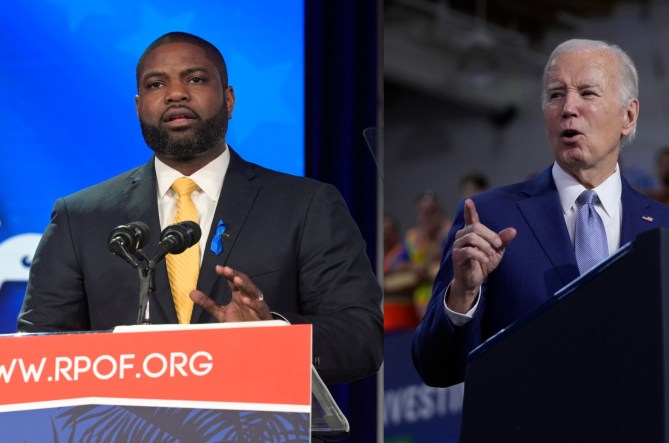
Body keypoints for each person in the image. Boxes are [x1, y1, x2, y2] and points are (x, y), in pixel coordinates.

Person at [17, 32, 382, 384]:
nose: (175, 93)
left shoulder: (306, 205)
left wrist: (272, 332)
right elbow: (36, 355)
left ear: (229, 100)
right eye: (156, 84)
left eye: (195, 79)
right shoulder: (79, 218)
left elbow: (360, 338)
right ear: (138, 106)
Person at [412, 39, 669, 388]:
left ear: (628, 116)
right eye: (555, 95)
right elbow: (436, 369)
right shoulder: (488, 217)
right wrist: (463, 294)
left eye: (587, 93)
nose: (568, 107)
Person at [403, 190, 451, 321]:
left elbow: (441, 256)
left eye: (431, 212)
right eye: (423, 212)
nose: (427, 217)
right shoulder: (411, 236)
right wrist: (411, 266)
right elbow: (396, 263)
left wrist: (428, 236)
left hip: (447, 293)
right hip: (421, 299)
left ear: (439, 212)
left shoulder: (450, 231)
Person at [382, 213, 418, 331]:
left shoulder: (403, 251)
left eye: (389, 230)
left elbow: (416, 268)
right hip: (383, 317)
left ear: (396, 232)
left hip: (402, 314)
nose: (385, 235)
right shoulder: (377, 254)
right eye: (383, 231)